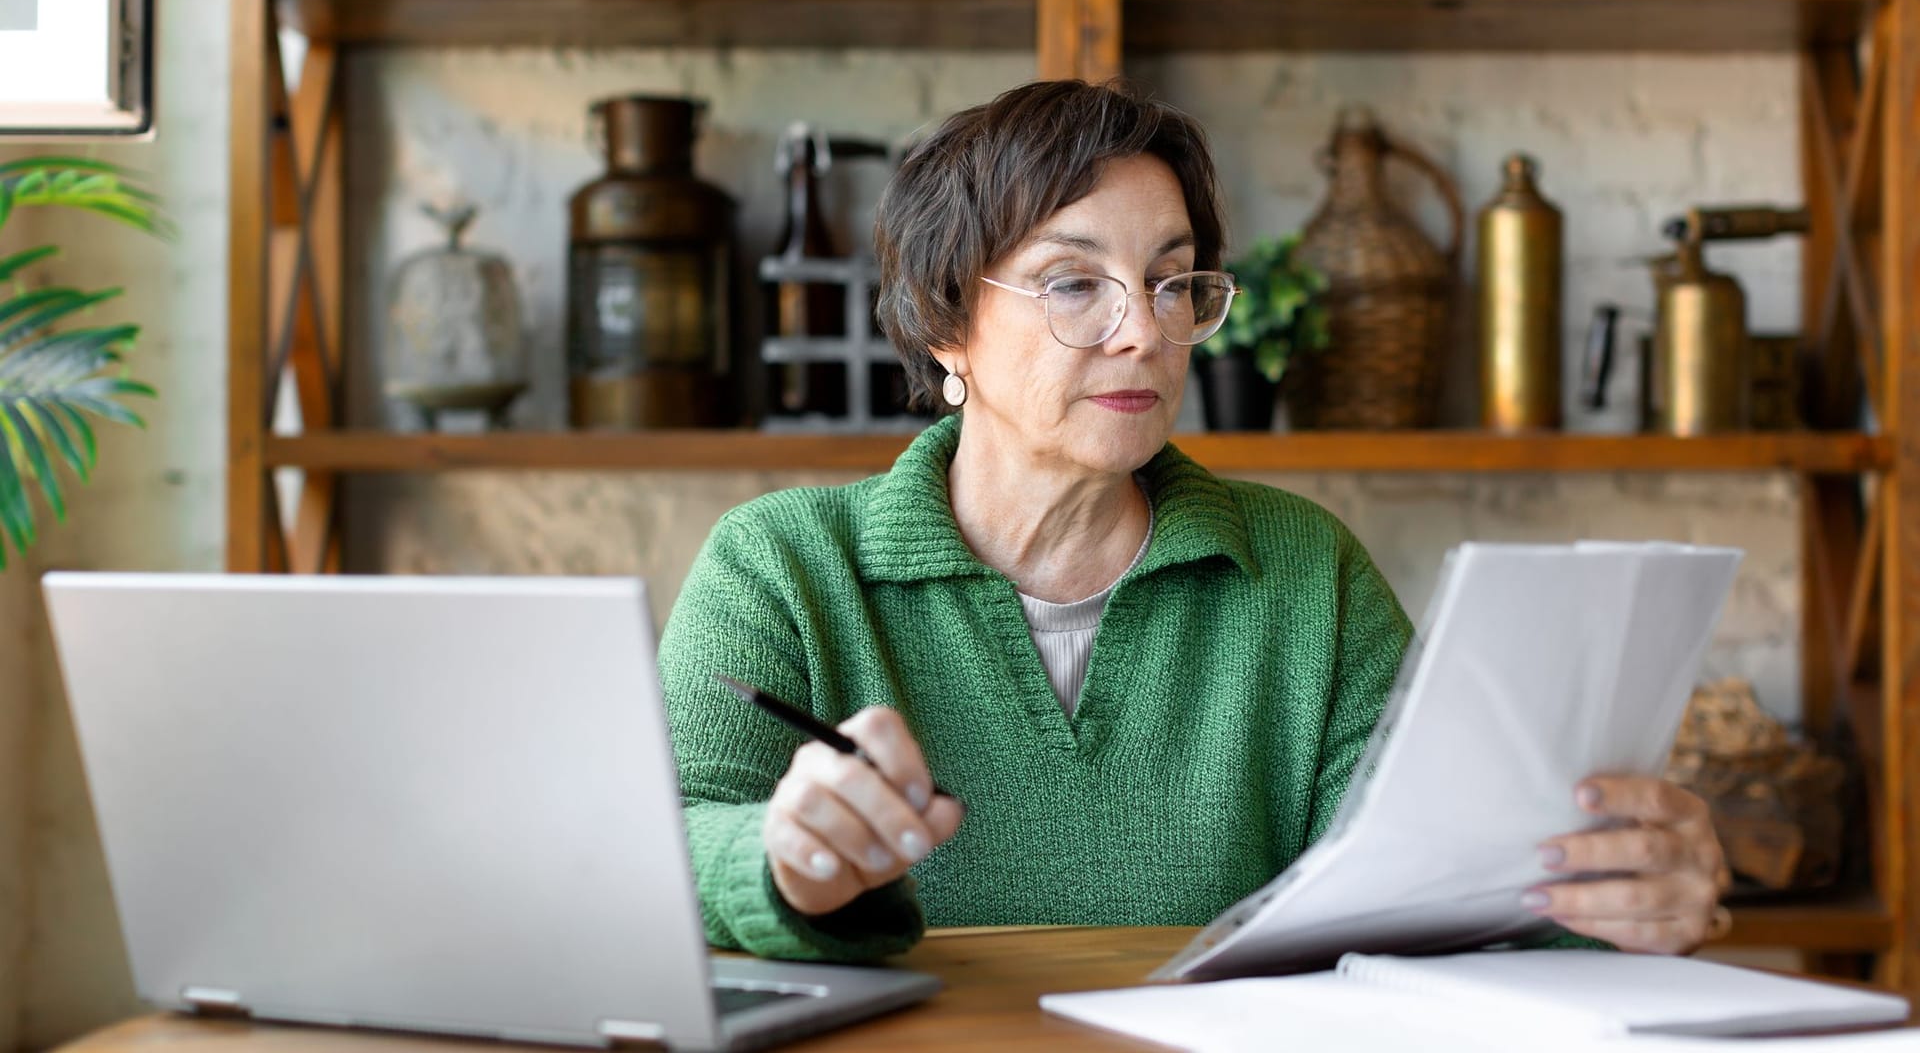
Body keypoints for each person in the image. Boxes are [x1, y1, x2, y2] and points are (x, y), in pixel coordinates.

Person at [656, 79, 1727, 963]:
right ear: (946, 324)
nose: (1145, 334)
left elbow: (1439, 894)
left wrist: (1616, 908)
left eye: (1172, 284)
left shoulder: (1307, 570)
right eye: (1075, 283)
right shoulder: (782, 565)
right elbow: (657, 851)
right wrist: (780, 857)